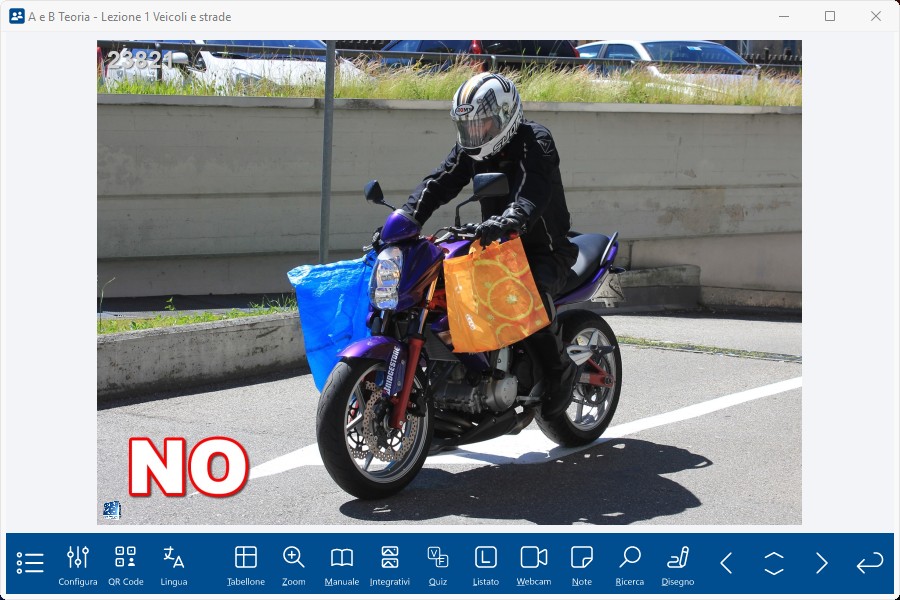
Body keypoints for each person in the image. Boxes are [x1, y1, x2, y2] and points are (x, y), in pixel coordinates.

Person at [399, 71, 580, 420]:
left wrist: (511, 219)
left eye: (480, 123)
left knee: (526, 294)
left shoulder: (535, 141)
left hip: (543, 250)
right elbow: (438, 182)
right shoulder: (471, 150)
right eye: (467, 125)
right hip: (496, 246)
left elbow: (530, 191)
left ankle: (560, 372)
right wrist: (405, 218)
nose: (474, 131)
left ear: (505, 116)